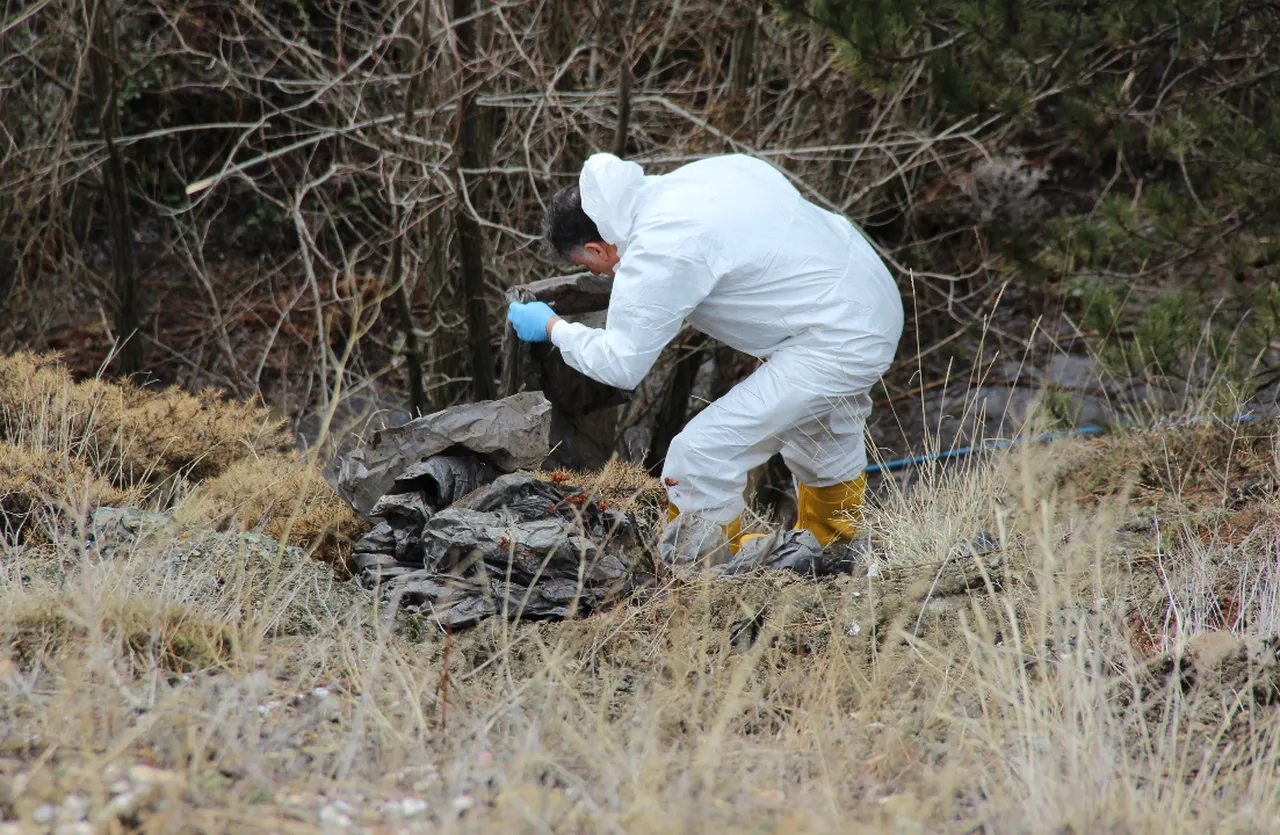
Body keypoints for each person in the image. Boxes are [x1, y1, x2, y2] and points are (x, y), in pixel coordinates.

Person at [508, 152, 903, 553]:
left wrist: (552, 328)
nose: (600, 275)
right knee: (821, 434)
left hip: (837, 333)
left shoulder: (659, 248)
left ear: (596, 247)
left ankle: (707, 579)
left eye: (591, 266)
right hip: (865, 293)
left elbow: (621, 363)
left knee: (698, 458)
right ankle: (835, 550)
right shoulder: (690, 182)